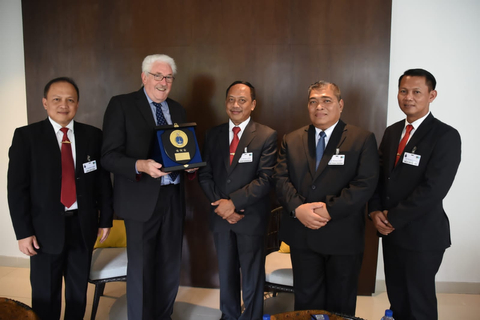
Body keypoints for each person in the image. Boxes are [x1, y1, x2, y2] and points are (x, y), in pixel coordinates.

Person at [7, 77, 113, 320]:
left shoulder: (93, 135)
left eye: (70, 100)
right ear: (45, 102)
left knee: (77, 293)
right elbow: (16, 189)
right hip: (43, 231)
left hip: (82, 225)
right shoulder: (26, 136)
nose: (63, 105)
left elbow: (102, 182)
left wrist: (105, 219)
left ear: (77, 104)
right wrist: (23, 232)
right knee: (46, 293)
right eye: (56, 99)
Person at [101, 54, 196, 320]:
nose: (163, 82)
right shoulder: (121, 105)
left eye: (168, 77)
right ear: (144, 77)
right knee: (141, 268)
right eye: (158, 75)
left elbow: (181, 150)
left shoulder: (177, 109)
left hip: (173, 198)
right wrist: (140, 165)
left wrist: (189, 167)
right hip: (139, 201)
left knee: (169, 266)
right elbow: (108, 156)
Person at [273, 80, 379, 315]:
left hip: (342, 236)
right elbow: (280, 179)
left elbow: (365, 184)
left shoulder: (362, 139)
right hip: (303, 234)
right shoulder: (291, 139)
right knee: (306, 300)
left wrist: (329, 210)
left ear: (340, 105)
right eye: (313, 101)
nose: (319, 106)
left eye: (326, 100)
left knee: (340, 303)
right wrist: (298, 209)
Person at [369, 68, 461, 320]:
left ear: (432, 95)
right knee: (398, 300)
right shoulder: (392, 132)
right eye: (403, 91)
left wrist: (393, 218)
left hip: (423, 236)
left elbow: (435, 188)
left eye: (416, 92)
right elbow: (378, 177)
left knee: (419, 304)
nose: (408, 97)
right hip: (391, 235)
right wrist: (375, 211)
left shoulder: (446, 135)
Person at [199, 81, 277, 320]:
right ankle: (229, 315)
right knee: (227, 273)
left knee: (252, 276)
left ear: (252, 105)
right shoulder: (213, 135)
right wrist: (222, 207)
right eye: (231, 99)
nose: (236, 105)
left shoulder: (266, 135)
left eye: (242, 100)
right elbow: (205, 174)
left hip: (250, 217)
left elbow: (266, 179)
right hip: (221, 218)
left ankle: (251, 317)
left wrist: (232, 203)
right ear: (225, 103)